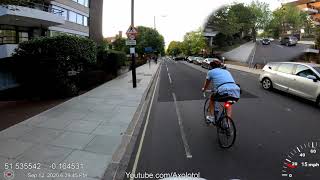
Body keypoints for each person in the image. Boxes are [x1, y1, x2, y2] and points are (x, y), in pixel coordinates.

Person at [202, 60, 240, 124]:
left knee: (212, 99)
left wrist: (204, 89)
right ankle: (228, 124)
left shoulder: (210, 72)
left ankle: (211, 117)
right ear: (220, 66)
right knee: (228, 103)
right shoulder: (226, 71)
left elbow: (207, 84)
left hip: (223, 90)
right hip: (236, 91)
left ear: (211, 66)